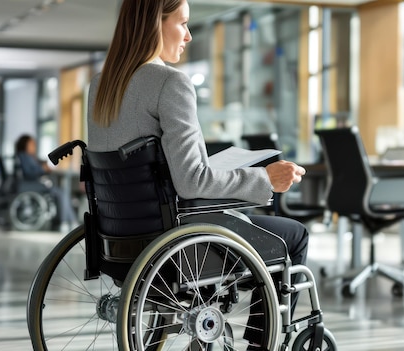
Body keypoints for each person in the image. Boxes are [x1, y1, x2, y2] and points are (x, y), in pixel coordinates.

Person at [86, 1, 308, 349]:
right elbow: (192, 182)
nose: (188, 36)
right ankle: (259, 344)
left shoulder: (100, 85)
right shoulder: (170, 83)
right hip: (179, 246)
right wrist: (264, 179)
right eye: (183, 24)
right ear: (154, 24)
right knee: (293, 236)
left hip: (119, 240)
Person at [14, 134, 79, 232]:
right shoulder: (24, 156)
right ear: (25, 145)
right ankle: (67, 221)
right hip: (30, 185)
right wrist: (42, 169)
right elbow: (29, 173)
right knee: (60, 193)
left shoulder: (27, 157)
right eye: (31, 144)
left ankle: (69, 221)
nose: (34, 146)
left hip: (32, 184)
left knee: (60, 192)